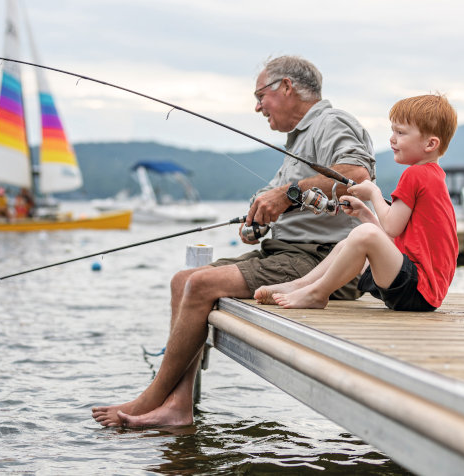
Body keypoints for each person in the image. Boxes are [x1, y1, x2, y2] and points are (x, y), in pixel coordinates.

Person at [92, 55, 376, 428]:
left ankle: (151, 396)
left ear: (287, 87)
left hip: (325, 263)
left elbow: (357, 176)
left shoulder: (330, 122)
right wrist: (256, 222)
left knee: (200, 283)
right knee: (183, 279)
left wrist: (287, 193)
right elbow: (284, 197)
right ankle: (178, 406)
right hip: (288, 253)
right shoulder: (299, 139)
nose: (257, 106)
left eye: (261, 96)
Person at [255, 94, 458, 311]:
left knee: (364, 234)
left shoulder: (415, 175)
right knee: (349, 241)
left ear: (430, 143)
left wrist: (373, 192)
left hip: (418, 289)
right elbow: (394, 236)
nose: (392, 139)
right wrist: (364, 214)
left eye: (400, 132)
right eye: (393, 131)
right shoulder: (433, 176)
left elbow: (390, 227)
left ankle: (317, 293)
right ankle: (300, 285)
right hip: (415, 287)